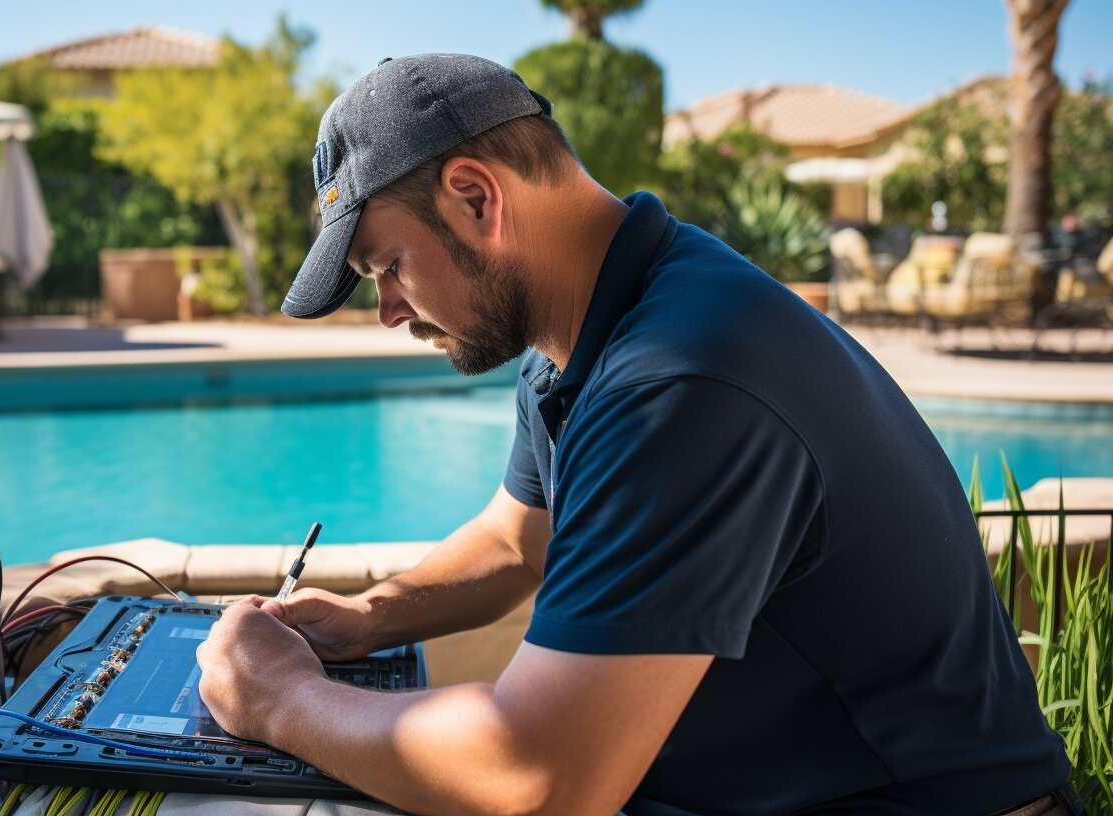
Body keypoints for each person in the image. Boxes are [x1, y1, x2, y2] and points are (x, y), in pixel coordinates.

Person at [195, 54, 1075, 816]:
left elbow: (541, 776)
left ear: (473, 198)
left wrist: (279, 697)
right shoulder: (587, 329)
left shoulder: (680, 381)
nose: (387, 311)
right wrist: (362, 619)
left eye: (387, 267)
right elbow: (514, 541)